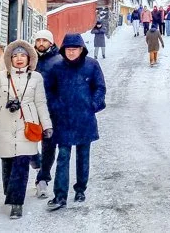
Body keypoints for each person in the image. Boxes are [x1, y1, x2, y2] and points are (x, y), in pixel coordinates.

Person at [0, 40, 53, 219]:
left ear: (29, 58)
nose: (19, 59)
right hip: (4, 124)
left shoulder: (36, 78)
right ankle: (10, 193)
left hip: (27, 124)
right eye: (15, 56)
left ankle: (17, 203)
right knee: (8, 164)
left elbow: (41, 103)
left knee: (21, 162)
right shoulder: (0, 77)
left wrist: (47, 125)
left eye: (23, 55)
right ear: (9, 59)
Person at [47, 34, 107, 211]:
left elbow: (100, 87)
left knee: (83, 155)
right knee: (63, 156)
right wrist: (56, 106)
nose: (71, 52)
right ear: (63, 50)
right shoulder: (56, 67)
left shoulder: (92, 65)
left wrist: (93, 104)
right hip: (63, 119)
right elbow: (49, 90)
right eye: (68, 49)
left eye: (74, 49)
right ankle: (60, 195)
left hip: (84, 118)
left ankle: (80, 189)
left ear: (81, 49)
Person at [31, 30, 62, 199]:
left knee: (49, 144)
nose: (41, 43)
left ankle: (43, 178)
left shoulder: (58, 61)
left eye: (45, 40)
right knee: (25, 140)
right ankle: (35, 159)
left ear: (51, 43)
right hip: (29, 109)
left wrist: (58, 105)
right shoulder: (29, 60)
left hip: (51, 110)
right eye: (38, 40)